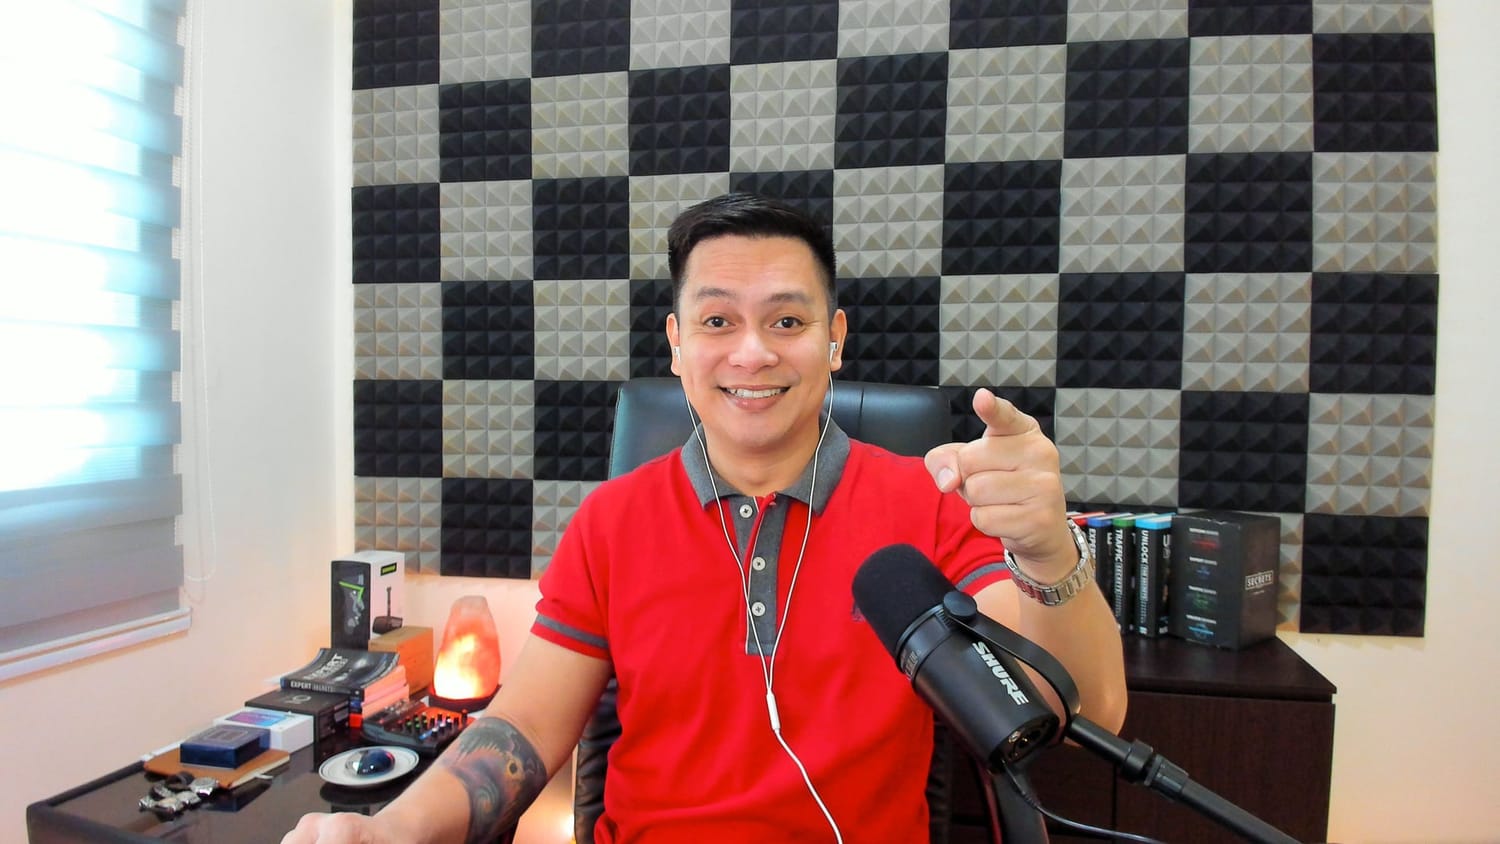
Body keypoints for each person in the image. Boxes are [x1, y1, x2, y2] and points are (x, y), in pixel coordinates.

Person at [283, 193, 1126, 844]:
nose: (752, 352)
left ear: (834, 339)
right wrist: (391, 829)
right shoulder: (610, 522)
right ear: (678, 342)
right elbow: (524, 727)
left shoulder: (931, 504)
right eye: (718, 321)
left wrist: (1048, 551)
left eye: (787, 321)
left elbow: (1084, 716)